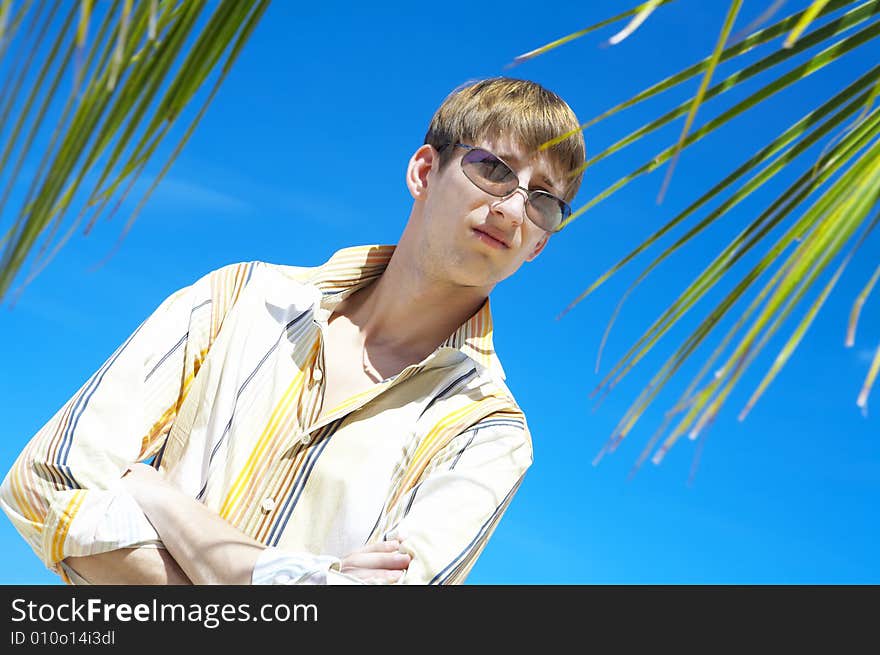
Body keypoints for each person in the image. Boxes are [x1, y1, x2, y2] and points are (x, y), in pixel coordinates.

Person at [0, 77, 585, 585]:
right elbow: (44, 483)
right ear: (425, 170)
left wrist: (160, 499)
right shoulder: (241, 298)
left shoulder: (489, 432)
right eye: (493, 170)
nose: (512, 208)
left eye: (544, 203)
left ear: (540, 243)